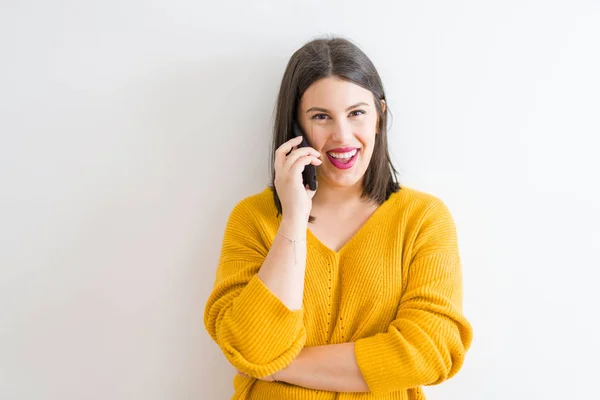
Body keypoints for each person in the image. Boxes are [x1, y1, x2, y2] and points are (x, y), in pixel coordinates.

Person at [204, 35, 473, 399]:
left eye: (356, 113)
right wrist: (293, 220)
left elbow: (429, 352)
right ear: (297, 127)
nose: (342, 136)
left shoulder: (423, 218)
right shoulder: (253, 218)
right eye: (321, 117)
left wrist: (277, 365)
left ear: (380, 115)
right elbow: (251, 345)